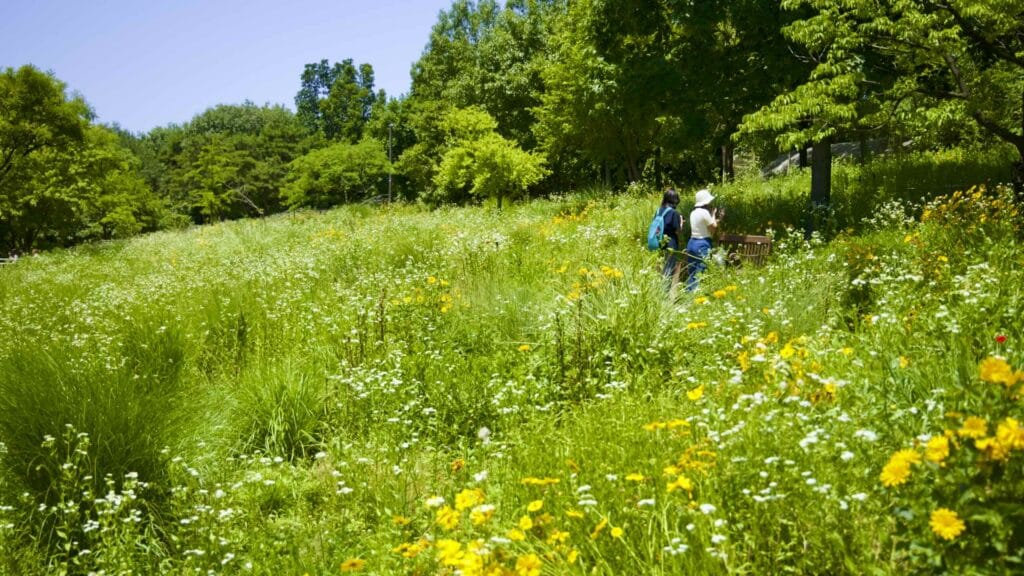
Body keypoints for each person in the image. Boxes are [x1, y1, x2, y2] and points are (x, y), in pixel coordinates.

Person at [685, 188, 723, 291]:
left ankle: (689, 294)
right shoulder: (705, 213)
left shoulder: (693, 213)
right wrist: (714, 214)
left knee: (692, 272)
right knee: (701, 271)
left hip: (691, 243)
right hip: (702, 244)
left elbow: (705, 225)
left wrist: (714, 218)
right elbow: (713, 229)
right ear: (706, 202)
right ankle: (697, 296)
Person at [657, 188, 684, 285]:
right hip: (671, 243)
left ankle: (659, 291)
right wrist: (681, 223)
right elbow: (677, 231)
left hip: (659, 241)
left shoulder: (659, 210)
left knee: (661, 267)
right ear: (675, 200)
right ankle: (665, 293)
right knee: (669, 267)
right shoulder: (673, 212)